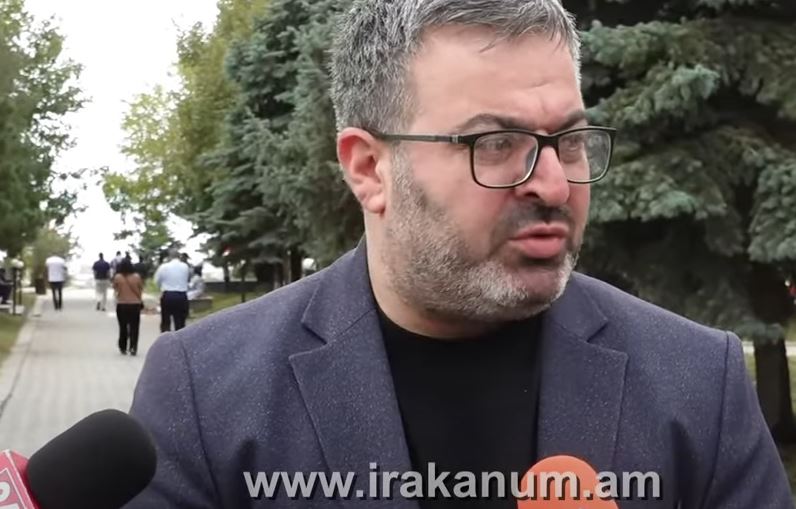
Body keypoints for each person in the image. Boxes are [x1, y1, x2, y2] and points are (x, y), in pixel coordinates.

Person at [126, 1, 792, 507]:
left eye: (569, 139)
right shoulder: (205, 391)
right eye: (495, 144)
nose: (554, 184)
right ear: (369, 168)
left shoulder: (697, 381)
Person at [153, 248, 191, 332]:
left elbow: (156, 281)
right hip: (181, 295)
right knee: (180, 321)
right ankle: (180, 337)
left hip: (168, 295)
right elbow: (188, 279)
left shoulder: (163, 267)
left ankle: (166, 336)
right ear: (179, 256)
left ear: (169, 257)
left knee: (166, 320)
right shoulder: (185, 266)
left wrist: (161, 287)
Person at [112, 258, 144, 356]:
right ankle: (133, 347)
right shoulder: (137, 277)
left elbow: (115, 288)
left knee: (123, 327)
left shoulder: (118, 277)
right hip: (135, 305)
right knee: (134, 327)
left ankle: (123, 347)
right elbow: (140, 288)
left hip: (122, 305)